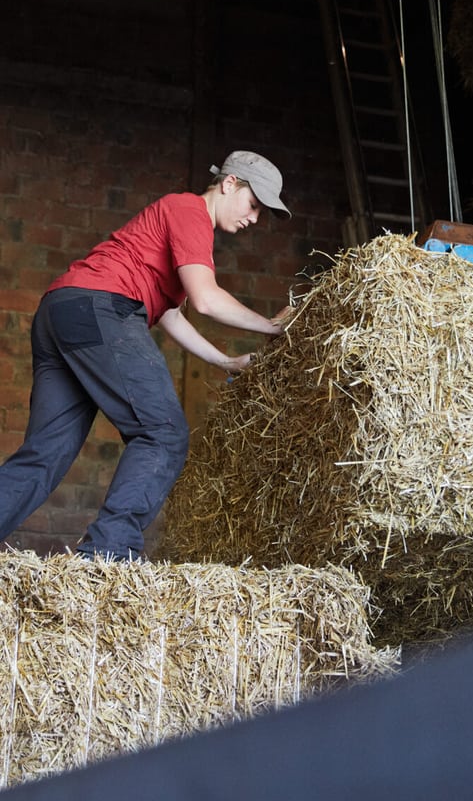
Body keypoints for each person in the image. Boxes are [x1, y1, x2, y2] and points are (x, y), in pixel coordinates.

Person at [0, 150, 291, 562]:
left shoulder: (173, 224)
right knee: (163, 432)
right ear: (229, 184)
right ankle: (108, 556)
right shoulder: (189, 210)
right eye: (254, 205)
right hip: (99, 308)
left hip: (62, 310)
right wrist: (272, 325)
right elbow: (206, 300)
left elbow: (170, 314)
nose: (254, 219)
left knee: (44, 456)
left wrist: (224, 362)